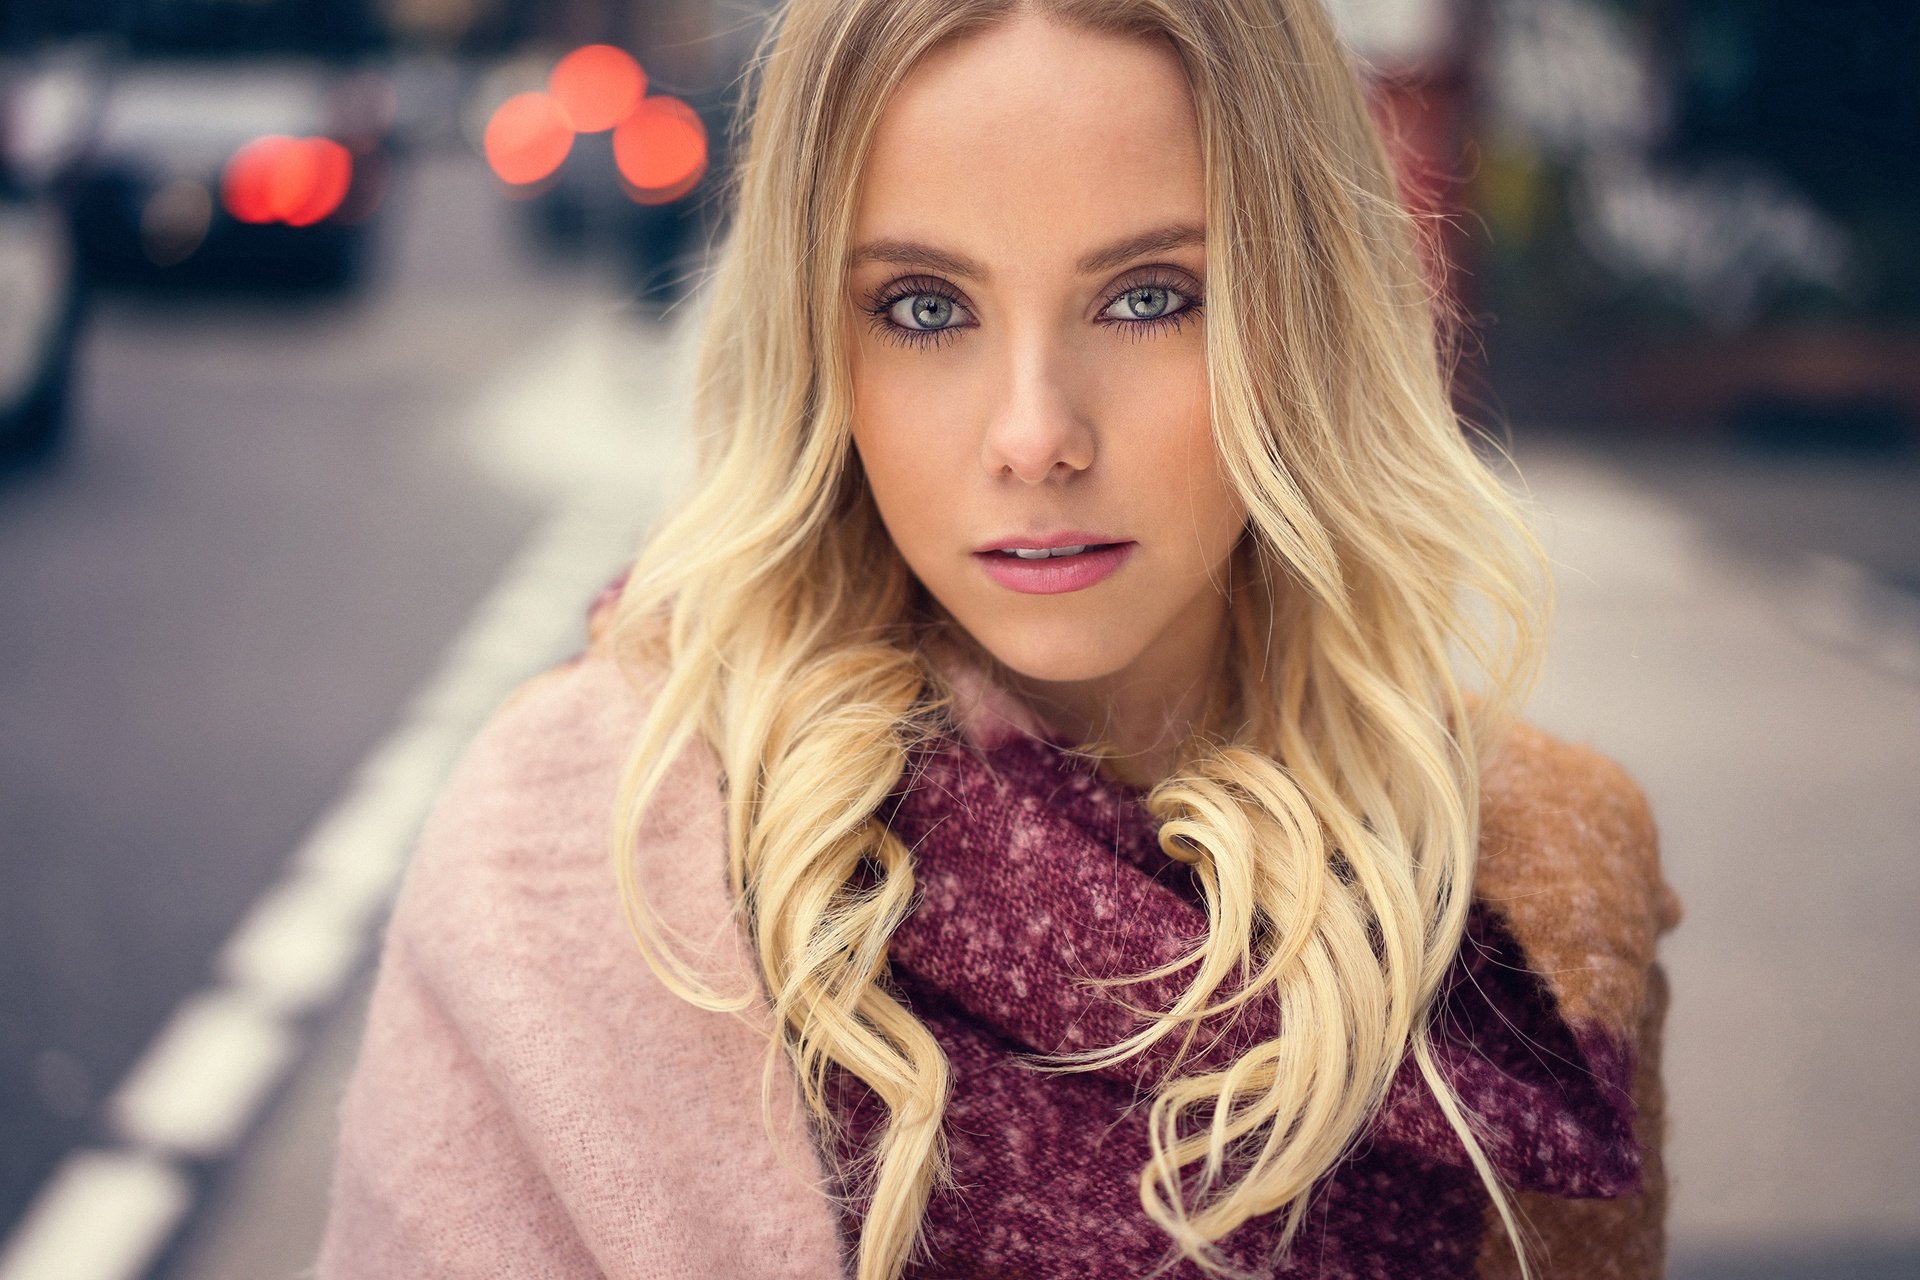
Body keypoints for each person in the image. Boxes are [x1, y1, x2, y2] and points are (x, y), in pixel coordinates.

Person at [315, 0, 1685, 1277]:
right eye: (924, 308)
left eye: (1149, 295)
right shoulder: (578, 838)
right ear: (817, 341)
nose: (1034, 437)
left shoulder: (1537, 880)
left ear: (1302, 316)